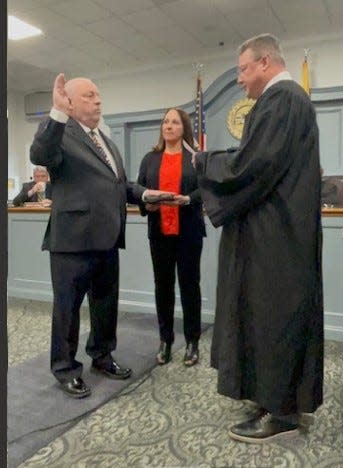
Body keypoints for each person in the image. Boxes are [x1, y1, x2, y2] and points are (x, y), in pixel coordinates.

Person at [193, 34, 323, 442]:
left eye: (243, 69)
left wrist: (204, 161)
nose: (239, 79)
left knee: (275, 319)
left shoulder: (282, 99)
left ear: (265, 62)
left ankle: (282, 415)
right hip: (274, 234)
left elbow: (254, 164)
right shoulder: (284, 101)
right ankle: (271, 398)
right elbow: (261, 160)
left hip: (277, 239)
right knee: (264, 317)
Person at [30, 73, 170, 399]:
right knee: (67, 308)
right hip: (72, 241)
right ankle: (65, 368)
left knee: (105, 305)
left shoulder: (104, 140)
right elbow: (40, 154)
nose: (98, 100)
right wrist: (55, 113)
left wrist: (147, 194)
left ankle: (102, 356)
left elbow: (118, 185)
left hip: (107, 237)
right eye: (90, 95)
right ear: (70, 101)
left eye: (98, 95)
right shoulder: (60, 132)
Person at [137, 108, 206, 366]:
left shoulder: (195, 158)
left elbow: (206, 189)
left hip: (188, 231)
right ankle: (165, 340)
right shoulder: (150, 158)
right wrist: (148, 205)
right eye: (166, 122)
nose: (169, 126)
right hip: (159, 232)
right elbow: (139, 189)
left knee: (190, 287)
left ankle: (192, 342)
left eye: (175, 122)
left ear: (183, 128)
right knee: (162, 287)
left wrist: (188, 199)